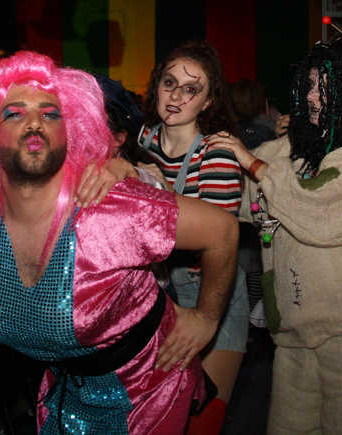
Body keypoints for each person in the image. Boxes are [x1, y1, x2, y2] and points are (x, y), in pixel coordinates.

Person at [0, 50, 238, 434]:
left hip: (146, 392)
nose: (34, 123)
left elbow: (223, 230)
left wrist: (206, 318)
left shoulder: (109, 211)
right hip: (63, 393)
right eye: (13, 113)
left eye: (50, 114)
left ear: (70, 132)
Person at [207, 25, 342, 434]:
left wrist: (252, 162)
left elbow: (318, 210)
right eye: (310, 86)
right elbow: (235, 195)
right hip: (295, 332)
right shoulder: (290, 150)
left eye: (324, 88)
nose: (311, 97)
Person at [137, 41, 249, 434]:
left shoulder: (214, 153)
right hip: (154, 293)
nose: (176, 96)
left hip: (210, 290)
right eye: (169, 83)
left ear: (207, 101)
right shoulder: (142, 140)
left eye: (191, 89)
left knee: (202, 420)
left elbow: (217, 238)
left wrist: (157, 191)